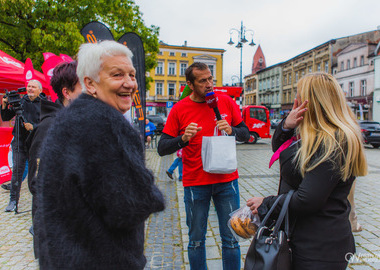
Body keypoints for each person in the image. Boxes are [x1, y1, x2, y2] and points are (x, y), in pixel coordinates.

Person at [36, 40, 165, 269]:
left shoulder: (69, 119)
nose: (129, 84)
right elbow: (128, 207)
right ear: (90, 83)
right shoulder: (105, 124)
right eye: (117, 75)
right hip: (99, 259)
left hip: (65, 256)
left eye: (132, 75)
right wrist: (148, 187)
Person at [247, 72, 368, 270]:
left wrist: (267, 203)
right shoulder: (314, 133)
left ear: (311, 101)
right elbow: (281, 151)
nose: (295, 99)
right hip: (306, 237)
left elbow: (308, 199)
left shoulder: (333, 140)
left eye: (299, 94)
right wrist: (287, 125)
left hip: (319, 246)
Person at [158, 62, 250, 270]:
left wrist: (232, 131)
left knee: (231, 239)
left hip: (227, 182)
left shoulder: (225, 102)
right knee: (196, 240)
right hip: (195, 183)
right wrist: (183, 138)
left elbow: (245, 134)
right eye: (203, 81)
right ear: (190, 84)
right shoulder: (180, 109)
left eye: (210, 79)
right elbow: (162, 148)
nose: (209, 84)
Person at [25, 60, 82, 258]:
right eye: (84, 85)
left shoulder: (75, 122)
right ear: (67, 92)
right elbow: (37, 183)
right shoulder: (50, 127)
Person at [1, 79, 43, 212]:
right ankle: (13, 200)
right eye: (29, 86)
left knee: (33, 173)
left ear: (39, 90)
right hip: (19, 141)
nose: (30, 89)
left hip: (35, 142)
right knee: (17, 171)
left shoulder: (45, 104)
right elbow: (6, 117)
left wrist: (33, 127)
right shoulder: (20, 101)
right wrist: (4, 105)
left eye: (33, 87)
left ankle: (38, 200)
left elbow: (48, 123)